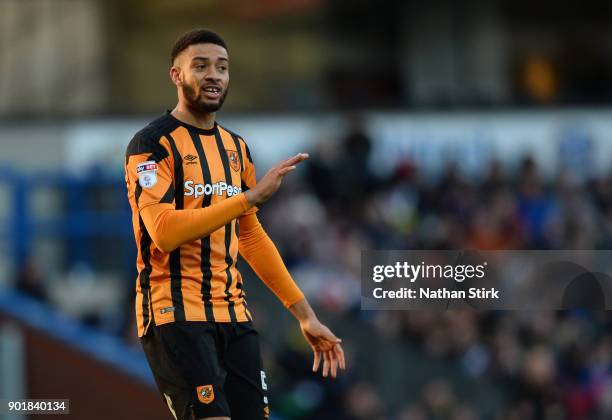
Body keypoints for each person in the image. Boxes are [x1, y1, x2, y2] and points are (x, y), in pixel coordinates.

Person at [124, 28, 345, 420]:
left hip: (234, 315)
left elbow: (252, 237)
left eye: (222, 67)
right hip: (175, 314)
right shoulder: (152, 144)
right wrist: (247, 198)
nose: (214, 75)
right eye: (201, 66)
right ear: (176, 75)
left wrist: (305, 315)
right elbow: (164, 232)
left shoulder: (236, 148)